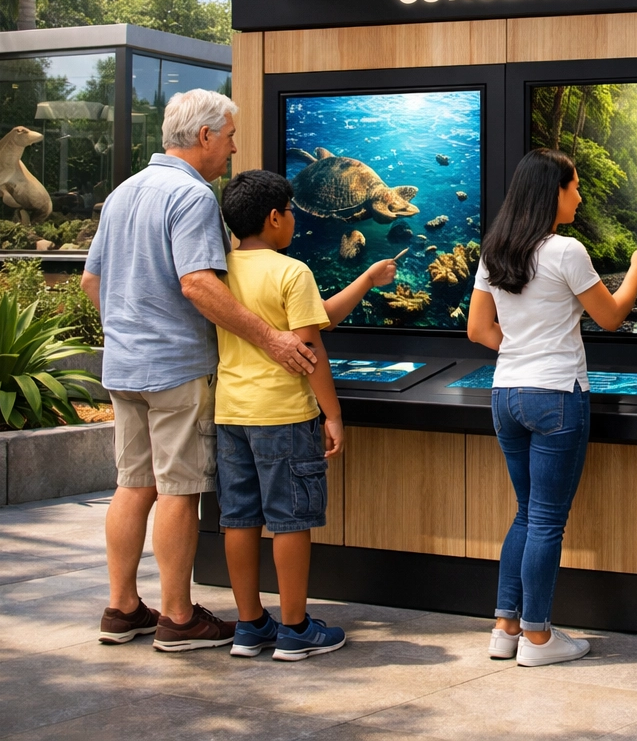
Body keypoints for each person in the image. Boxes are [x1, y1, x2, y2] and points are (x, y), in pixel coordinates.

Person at [82, 90, 317, 653]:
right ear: (206, 136)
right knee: (179, 491)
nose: (234, 148)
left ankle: (121, 608)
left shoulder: (122, 193)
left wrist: (128, 332)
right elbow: (198, 283)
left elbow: (92, 282)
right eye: (231, 136)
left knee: (133, 484)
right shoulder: (190, 196)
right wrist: (271, 338)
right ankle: (179, 618)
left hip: (123, 365)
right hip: (175, 370)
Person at [467, 149, 637, 667]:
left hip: (506, 394)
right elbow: (613, 315)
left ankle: (505, 629)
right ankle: (539, 638)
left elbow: (479, 330)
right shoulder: (566, 251)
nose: (579, 195)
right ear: (552, 191)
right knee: (548, 521)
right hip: (555, 395)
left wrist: (524, 345)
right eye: (574, 186)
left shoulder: (494, 251)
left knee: (527, 514)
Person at [215, 169, 400, 660]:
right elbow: (310, 344)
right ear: (275, 218)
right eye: (291, 211)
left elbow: (319, 316)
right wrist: (332, 414)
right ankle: (295, 628)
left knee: (239, 519)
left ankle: (250, 625)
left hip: (231, 412)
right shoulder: (291, 272)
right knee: (291, 520)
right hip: (283, 416)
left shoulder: (218, 273)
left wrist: (366, 277)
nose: (294, 219)